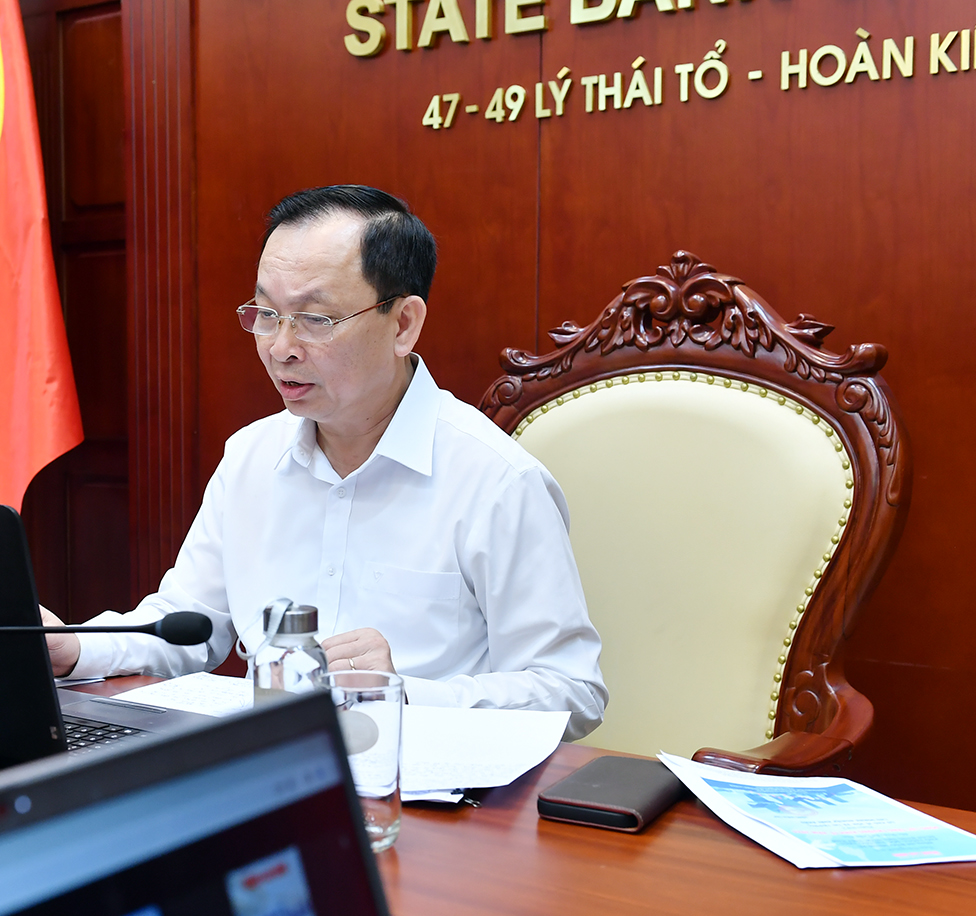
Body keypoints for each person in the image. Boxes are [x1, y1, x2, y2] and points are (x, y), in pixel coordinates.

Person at [42, 185, 606, 739]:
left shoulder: (496, 480)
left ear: (403, 324)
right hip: (276, 767)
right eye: (266, 314)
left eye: (315, 319)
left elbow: (571, 691)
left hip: (425, 782)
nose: (280, 347)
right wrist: (74, 647)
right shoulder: (251, 457)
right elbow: (187, 623)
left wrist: (404, 694)